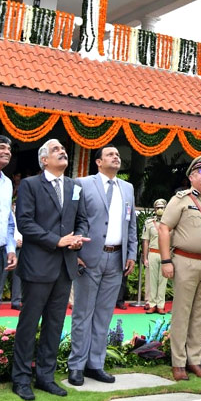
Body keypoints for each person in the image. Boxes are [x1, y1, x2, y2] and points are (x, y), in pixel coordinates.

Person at [12, 139, 89, 400]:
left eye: (63, 150)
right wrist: (56, 240)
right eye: (56, 150)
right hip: (37, 266)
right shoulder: (31, 185)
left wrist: (79, 237)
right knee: (29, 324)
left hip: (64, 267)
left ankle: (45, 377)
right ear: (43, 160)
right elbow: (25, 222)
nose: (62, 152)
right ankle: (21, 378)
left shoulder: (74, 186)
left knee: (55, 325)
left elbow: (82, 220)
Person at [67, 144, 137, 386]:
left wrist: (132, 253)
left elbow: (132, 224)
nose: (116, 157)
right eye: (110, 154)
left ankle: (95, 365)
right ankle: (76, 365)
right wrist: (73, 250)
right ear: (98, 161)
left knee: (104, 316)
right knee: (82, 314)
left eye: (117, 154)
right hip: (87, 257)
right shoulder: (82, 184)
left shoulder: (127, 188)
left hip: (116, 259)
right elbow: (71, 216)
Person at [158, 156, 201, 381]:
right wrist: (165, 261)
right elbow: (164, 228)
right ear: (191, 177)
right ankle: (178, 362)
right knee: (182, 313)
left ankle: (195, 360)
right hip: (185, 261)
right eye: (200, 171)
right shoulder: (180, 199)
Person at [142, 198, 168, 314]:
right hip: (153, 252)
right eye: (158, 208)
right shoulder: (149, 223)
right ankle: (152, 303)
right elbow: (145, 240)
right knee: (152, 280)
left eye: (162, 207)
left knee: (163, 281)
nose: (160, 210)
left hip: (164, 255)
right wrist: (145, 257)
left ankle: (160, 304)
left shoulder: (169, 222)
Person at [0, 136, 17, 305]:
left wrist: (10, 249)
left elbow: (8, 221)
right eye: (2, 147)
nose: (7, 152)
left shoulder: (7, 183)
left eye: (9, 149)